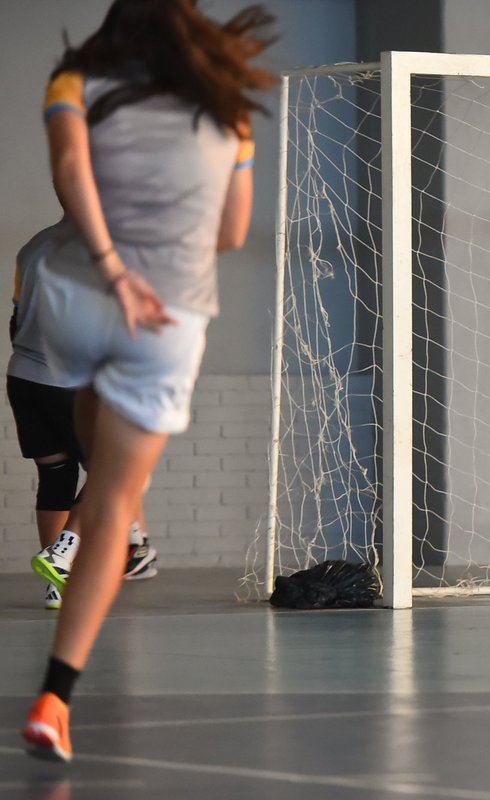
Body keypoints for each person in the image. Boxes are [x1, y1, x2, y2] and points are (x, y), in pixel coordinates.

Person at [19, 0, 275, 763]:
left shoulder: (73, 79)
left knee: (91, 447)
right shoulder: (228, 108)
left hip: (67, 303)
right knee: (113, 508)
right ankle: (54, 699)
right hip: (164, 317)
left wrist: (106, 266)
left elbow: (70, 175)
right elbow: (230, 233)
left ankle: (88, 482)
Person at [10, 239, 158, 613]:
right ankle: (71, 549)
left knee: (56, 475)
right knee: (121, 466)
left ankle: (56, 586)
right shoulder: (102, 250)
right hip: (69, 381)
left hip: (24, 376)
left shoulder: (32, 249)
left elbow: (15, 322)